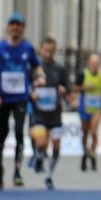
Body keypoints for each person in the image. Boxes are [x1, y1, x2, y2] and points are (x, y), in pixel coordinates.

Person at [0, 12, 43, 190]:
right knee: (2, 133)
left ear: (23, 28)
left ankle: (17, 171)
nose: (15, 28)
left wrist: (41, 76)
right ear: (7, 27)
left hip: (20, 97)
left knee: (19, 132)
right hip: (2, 98)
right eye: (12, 24)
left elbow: (37, 66)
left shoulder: (27, 48)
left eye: (18, 25)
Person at [28, 36, 71, 190]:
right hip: (39, 114)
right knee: (41, 143)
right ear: (41, 50)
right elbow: (25, 86)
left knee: (57, 148)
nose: (48, 54)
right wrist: (32, 92)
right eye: (45, 51)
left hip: (55, 115)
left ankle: (49, 176)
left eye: (51, 52)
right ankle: (39, 156)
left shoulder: (59, 69)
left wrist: (64, 90)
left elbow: (68, 86)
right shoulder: (33, 69)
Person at [75, 52, 101, 171]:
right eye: (93, 63)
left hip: (97, 107)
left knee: (94, 131)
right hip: (84, 107)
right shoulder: (83, 74)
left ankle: (93, 154)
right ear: (88, 63)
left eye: (97, 63)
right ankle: (85, 153)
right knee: (85, 132)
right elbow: (74, 88)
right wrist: (85, 88)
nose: (95, 65)